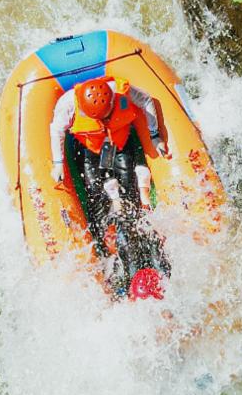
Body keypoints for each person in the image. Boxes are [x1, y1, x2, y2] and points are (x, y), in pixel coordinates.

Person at [50, 76, 171, 291]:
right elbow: (57, 130)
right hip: (92, 148)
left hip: (120, 141)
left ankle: (129, 228)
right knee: (95, 190)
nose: (103, 120)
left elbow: (146, 100)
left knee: (128, 192)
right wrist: (58, 163)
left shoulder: (120, 90)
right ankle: (106, 235)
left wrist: (154, 135)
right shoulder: (69, 105)